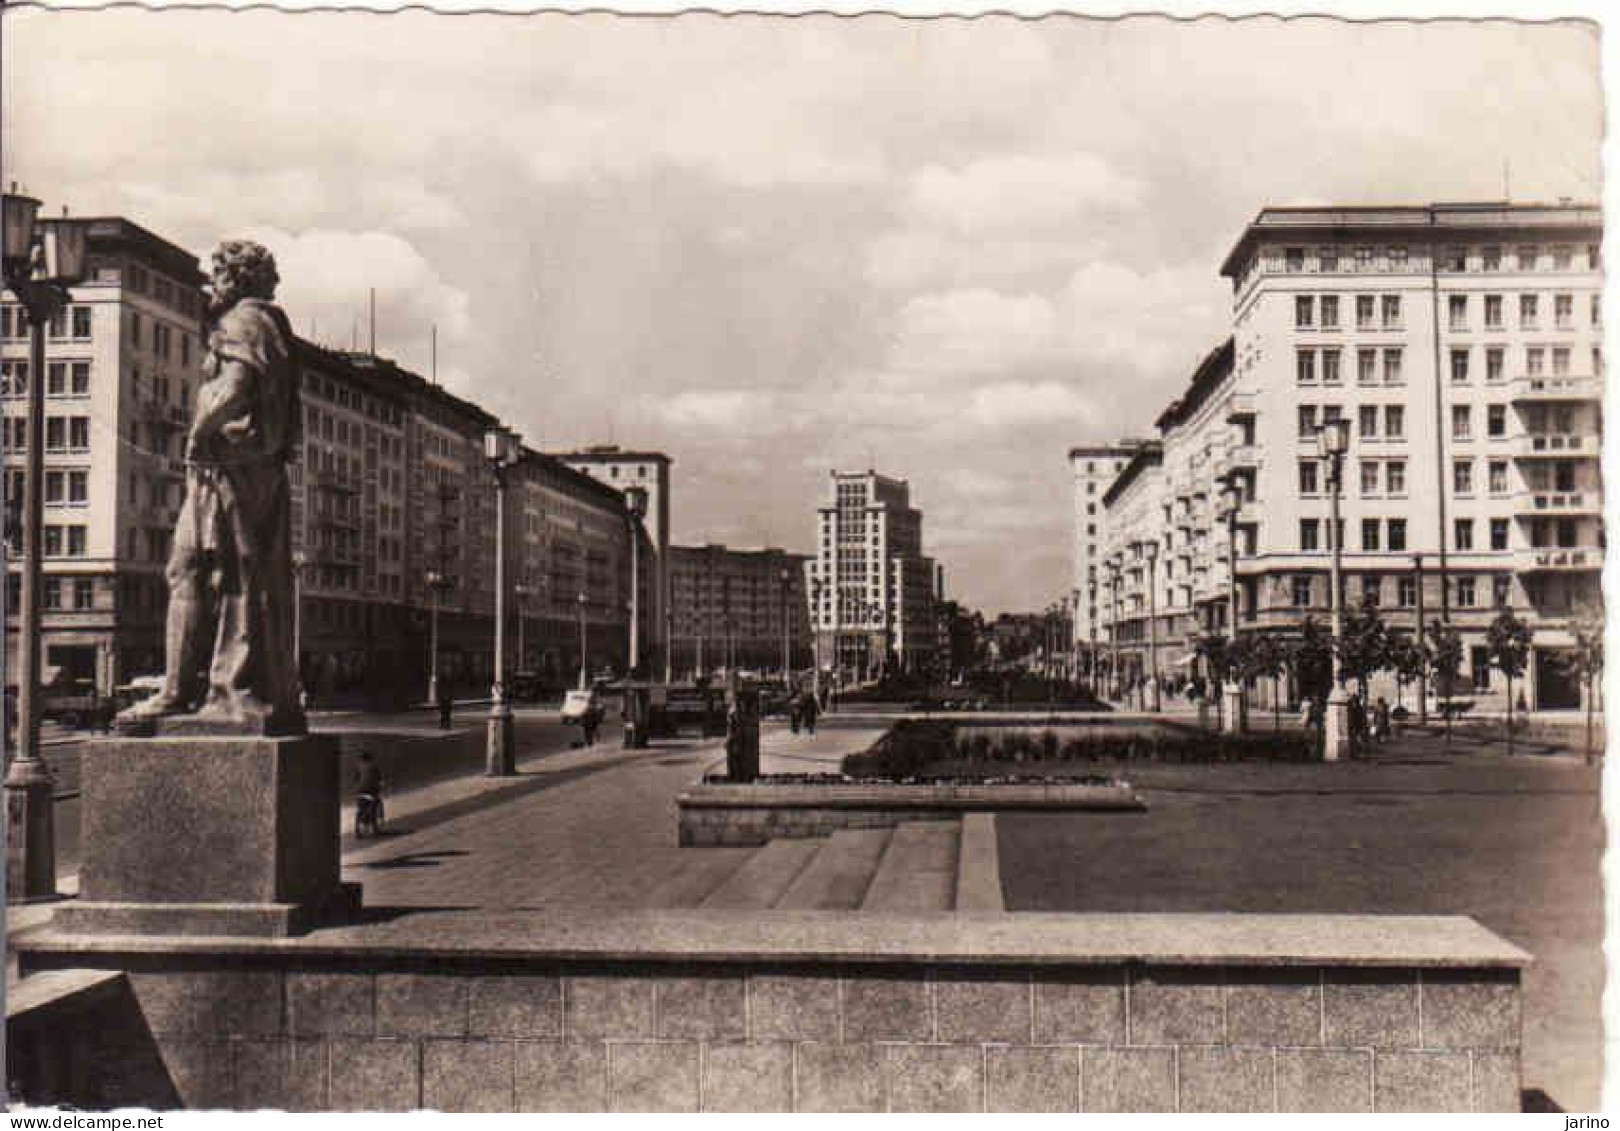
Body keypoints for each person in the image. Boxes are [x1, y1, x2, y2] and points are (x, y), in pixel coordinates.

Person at [354, 750, 384, 833]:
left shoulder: (358, 767)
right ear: (370, 758)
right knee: (375, 805)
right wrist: (380, 789)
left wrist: (356, 789)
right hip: (371, 790)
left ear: (361, 759)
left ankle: (358, 828)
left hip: (360, 791)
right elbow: (380, 781)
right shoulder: (374, 766)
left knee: (361, 808)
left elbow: (356, 780)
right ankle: (374, 827)